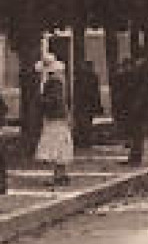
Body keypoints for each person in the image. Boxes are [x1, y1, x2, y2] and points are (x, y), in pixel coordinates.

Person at [34, 53, 75, 186]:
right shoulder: (59, 81)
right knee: (61, 145)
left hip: (55, 117)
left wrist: (41, 100)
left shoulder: (53, 82)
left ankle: (58, 175)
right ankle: (61, 174)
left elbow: (54, 100)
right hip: (59, 116)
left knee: (56, 146)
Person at [72, 59, 102, 148]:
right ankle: (85, 140)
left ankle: (85, 140)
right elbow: (96, 92)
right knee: (85, 122)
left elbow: (93, 91)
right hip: (86, 103)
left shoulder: (83, 77)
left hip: (84, 103)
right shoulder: (90, 77)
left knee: (84, 122)